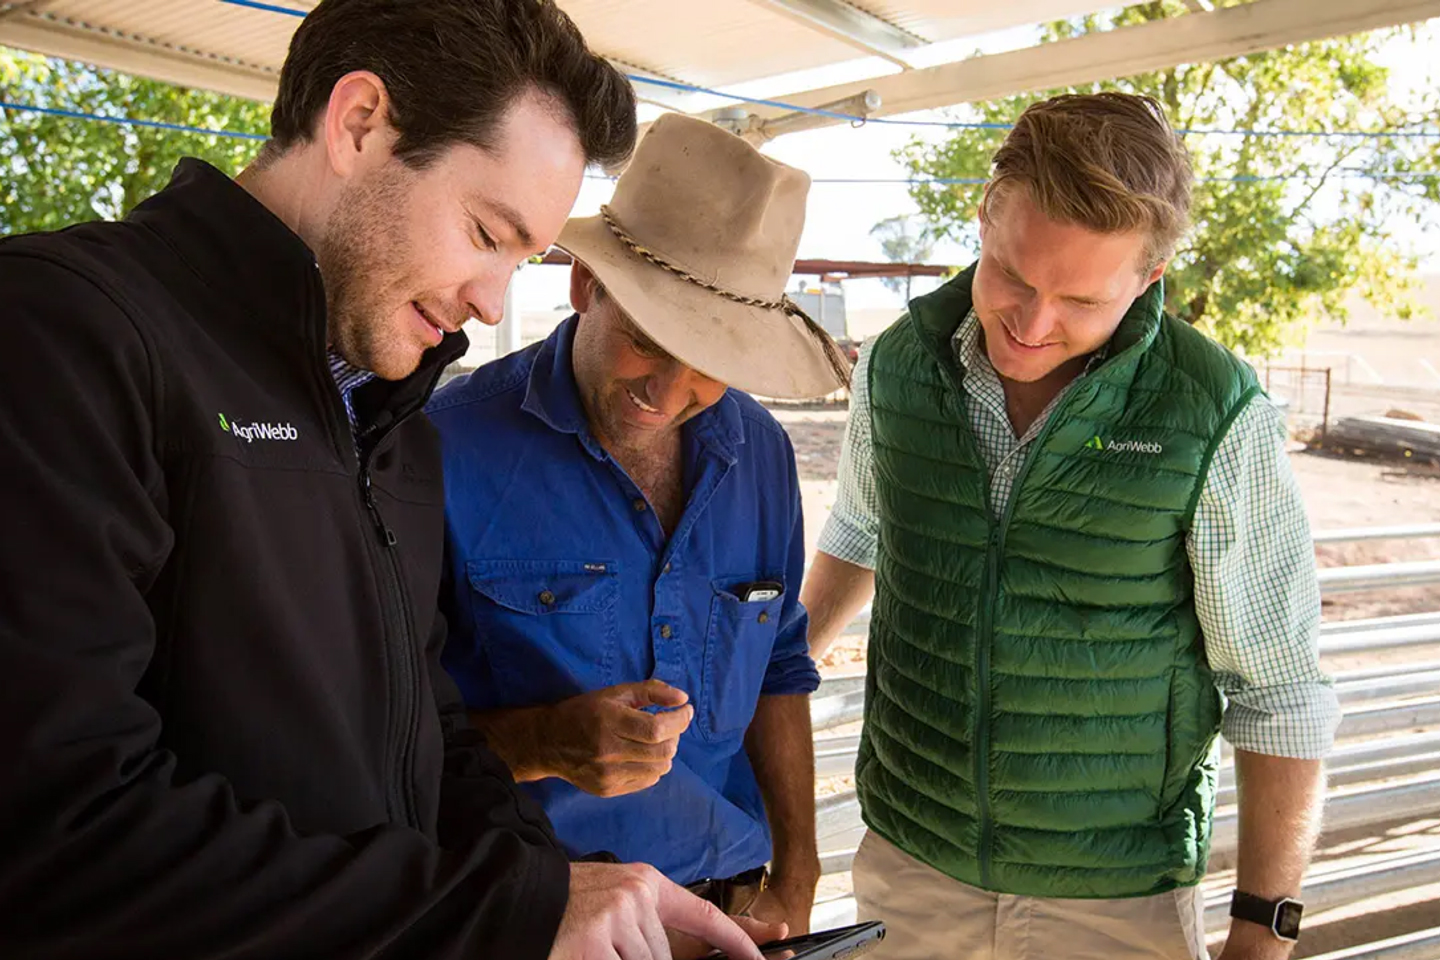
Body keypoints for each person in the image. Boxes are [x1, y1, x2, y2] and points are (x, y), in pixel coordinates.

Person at [0, 2, 775, 957]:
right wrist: (508, 914)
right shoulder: (65, 332)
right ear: (358, 122)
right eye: (487, 234)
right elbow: (56, 829)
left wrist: (570, 894)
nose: (492, 302)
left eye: (524, 258)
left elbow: (430, 738)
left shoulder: (392, 417)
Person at [799, 93, 1341, 960]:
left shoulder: (1214, 413)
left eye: (1080, 299)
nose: (1031, 322)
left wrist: (1263, 929)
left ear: (1148, 280)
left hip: (1116, 903)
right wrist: (763, 691)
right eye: (1011, 274)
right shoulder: (898, 365)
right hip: (912, 865)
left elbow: (1277, 692)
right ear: (985, 215)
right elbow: (862, 534)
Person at [427, 113, 850, 938]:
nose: (668, 393)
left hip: (732, 908)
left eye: (712, 367)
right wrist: (546, 740)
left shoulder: (758, 451)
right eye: (647, 343)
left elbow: (779, 666)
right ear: (586, 284)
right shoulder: (444, 448)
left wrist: (798, 874)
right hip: (541, 920)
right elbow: (382, 729)